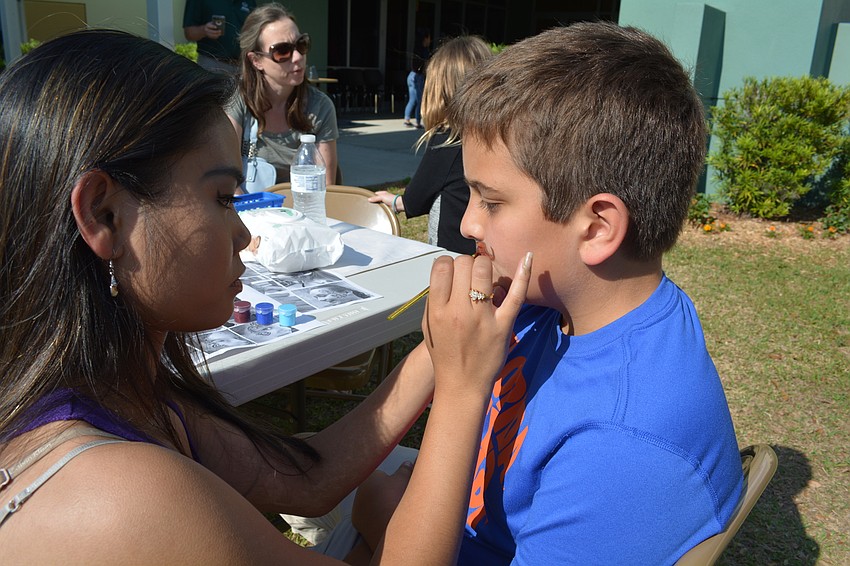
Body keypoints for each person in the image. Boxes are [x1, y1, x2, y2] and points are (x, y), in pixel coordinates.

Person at [0, 29, 533, 564]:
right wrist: (463, 394)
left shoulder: (125, 388)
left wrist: (440, 351)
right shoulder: (118, 499)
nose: (243, 234)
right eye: (221, 198)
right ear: (104, 215)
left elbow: (308, 479)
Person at [294, 22, 746, 565]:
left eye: (491, 201)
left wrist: (383, 513)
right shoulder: (547, 302)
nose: (468, 226)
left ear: (597, 228)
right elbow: (329, 464)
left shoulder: (623, 444)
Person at [371, 36, 491, 255]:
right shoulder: (493, 138)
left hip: (452, 253)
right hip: (485, 249)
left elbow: (416, 199)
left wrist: (398, 201)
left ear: (440, 90)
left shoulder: (448, 139)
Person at [227, 3, 338, 189]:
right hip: (248, 213)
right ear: (256, 61)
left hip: (301, 212)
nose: (297, 57)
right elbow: (227, 182)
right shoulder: (238, 101)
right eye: (282, 51)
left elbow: (325, 187)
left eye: (301, 45)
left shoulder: (319, 107)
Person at [183, 0, 255, 73]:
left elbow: (254, 28)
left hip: (243, 66)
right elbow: (189, 33)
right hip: (212, 64)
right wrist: (204, 30)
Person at [403, 28, 431, 129]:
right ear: (426, 38)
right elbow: (425, 65)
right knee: (420, 100)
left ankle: (407, 119)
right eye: (429, 38)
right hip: (418, 77)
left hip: (411, 75)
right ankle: (418, 122)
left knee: (412, 99)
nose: (430, 41)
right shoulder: (424, 51)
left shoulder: (416, 49)